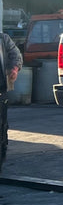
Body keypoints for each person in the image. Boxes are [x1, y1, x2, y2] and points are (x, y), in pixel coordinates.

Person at [1, 30, 21, 170]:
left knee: (1, 129)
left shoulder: (3, 39)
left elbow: (16, 55)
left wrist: (14, 68)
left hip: (1, 92)